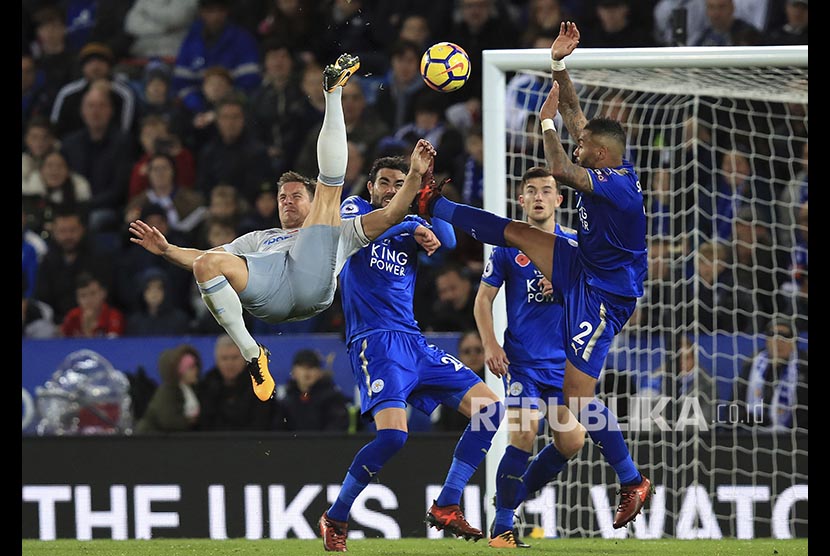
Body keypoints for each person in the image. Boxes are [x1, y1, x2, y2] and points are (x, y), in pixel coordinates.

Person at [412, 21, 652, 529]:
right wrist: (559, 65)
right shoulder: (605, 166)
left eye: (584, 143)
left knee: (577, 405)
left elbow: (563, 166)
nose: (577, 141)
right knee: (516, 234)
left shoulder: (616, 188)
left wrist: (545, 126)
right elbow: (574, 114)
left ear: (601, 156)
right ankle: (433, 200)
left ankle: (632, 480)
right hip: (583, 269)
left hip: (604, 294)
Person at [129, 54, 437, 405]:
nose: (287, 201)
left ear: (307, 200)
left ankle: (332, 94)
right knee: (207, 264)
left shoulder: (342, 228)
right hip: (269, 296)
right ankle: (252, 354)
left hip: (311, 288)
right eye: (281, 197)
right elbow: (201, 259)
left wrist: (414, 178)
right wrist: (167, 250)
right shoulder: (259, 239)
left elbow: (392, 213)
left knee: (329, 197)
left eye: (295, 195)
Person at [318, 156, 504, 551]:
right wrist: (408, 221)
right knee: (393, 437)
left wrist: (428, 204)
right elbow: (373, 229)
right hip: (374, 340)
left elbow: (450, 243)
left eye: (398, 182)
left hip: (413, 341)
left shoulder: (411, 223)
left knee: (490, 409)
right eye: (384, 182)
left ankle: (448, 503)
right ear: (370, 187)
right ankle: (335, 516)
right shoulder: (356, 210)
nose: (389, 188)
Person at [473, 166, 586, 548]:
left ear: (559, 199)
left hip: (565, 365)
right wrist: (491, 345)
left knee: (572, 441)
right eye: (531, 191)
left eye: (547, 191)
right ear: (521, 200)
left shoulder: (574, 246)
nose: (539, 197)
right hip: (523, 363)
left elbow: (596, 297)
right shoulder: (509, 246)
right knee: (524, 432)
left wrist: (568, 285)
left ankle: (511, 499)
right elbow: (483, 301)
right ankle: (502, 526)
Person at [135, 344, 202, 433]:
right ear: (180, 371)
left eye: (196, 366)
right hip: (149, 439)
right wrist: (189, 421)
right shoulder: (167, 392)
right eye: (191, 368)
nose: (196, 370)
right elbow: (169, 421)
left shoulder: (189, 390)